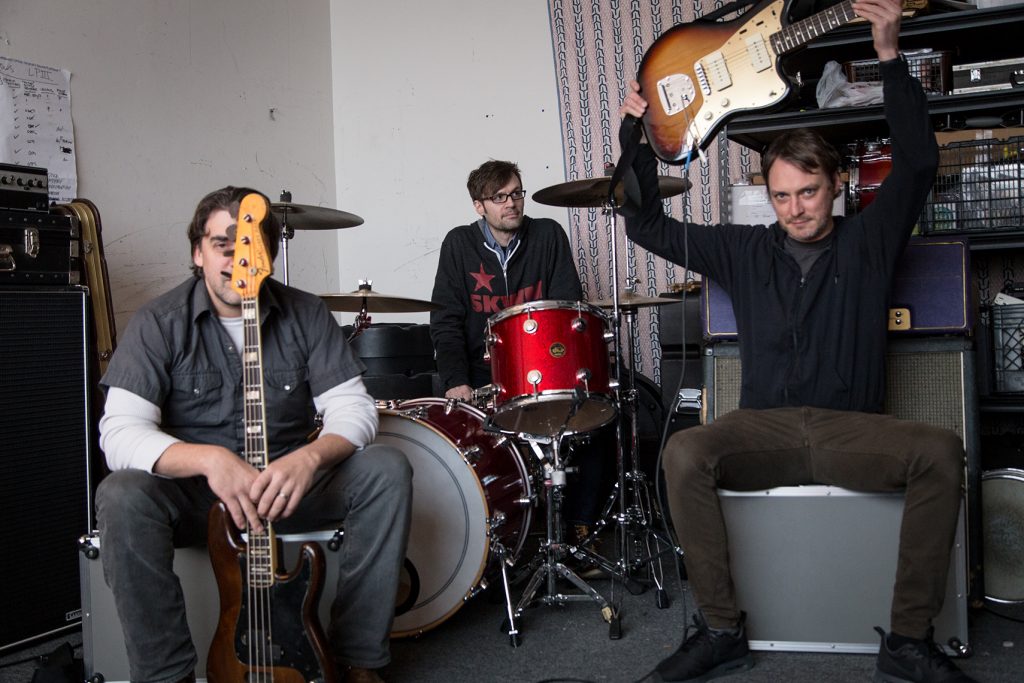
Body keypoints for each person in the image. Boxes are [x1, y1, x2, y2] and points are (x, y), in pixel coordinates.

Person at [620, 2, 974, 682]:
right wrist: (635, 132)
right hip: (764, 429)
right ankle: (720, 630)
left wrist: (890, 56)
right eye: (782, 196)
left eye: (808, 192)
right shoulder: (744, 250)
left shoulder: (870, 241)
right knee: (685, 450)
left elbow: (919, 163)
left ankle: (907, 641)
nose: (796, 209)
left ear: (836, 187)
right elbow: (647, 225)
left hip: (850, 429)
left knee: (940, 450)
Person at [95, 186, 412, 683]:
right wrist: (208, 460)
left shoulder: (306, 313)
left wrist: (310, 458)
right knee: (121, 495)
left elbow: (354, 409)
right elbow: (118, 432)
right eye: (222, 245)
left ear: (267, 254)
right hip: (199, 496)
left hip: (286, 486)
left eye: (247, 245)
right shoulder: (158, 322)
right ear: (197, 252)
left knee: (386, 469)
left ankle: (357, 660)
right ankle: (165, 675)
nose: (234, 259)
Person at [429, 159, 609, 544]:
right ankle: (496, 536)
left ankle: (580, 527)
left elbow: (568, 308)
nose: (511, 204)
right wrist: (456, 380)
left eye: (515, 194)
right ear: (479, 206)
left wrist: (562, 369)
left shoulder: (547, 235)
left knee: (596, 412)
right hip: (484, 374)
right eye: (499, 197)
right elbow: (445, 321)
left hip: (545, 365)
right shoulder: (459, 245)